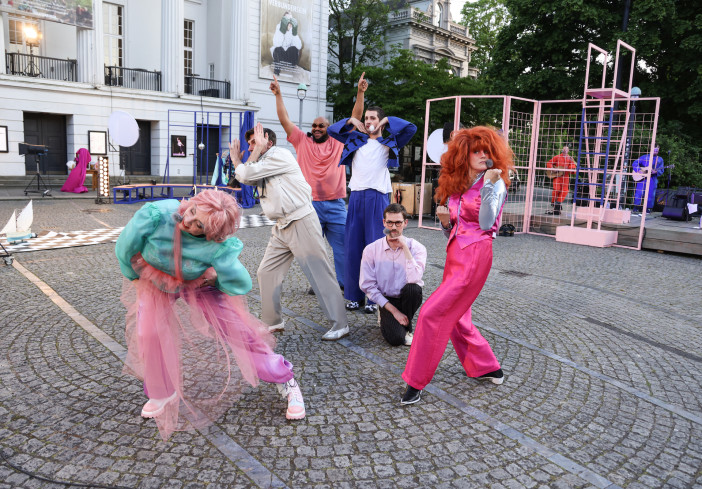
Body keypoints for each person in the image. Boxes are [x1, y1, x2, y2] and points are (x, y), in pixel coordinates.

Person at [115, 190, 305, 441]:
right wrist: (134, 278)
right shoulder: (156, 215)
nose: (188, 222)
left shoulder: (216, 247)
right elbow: (124, 247)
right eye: (192, 212)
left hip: (199, 283)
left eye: (199, 226)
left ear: (211, 234)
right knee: (148, 331)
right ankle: (162, 391)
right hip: (157, 281)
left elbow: (241, 282)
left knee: (239, 330)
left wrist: (215, 278)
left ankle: (285, 379)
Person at [400, 126, 513, 405]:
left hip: (475, 256)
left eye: (487, 151)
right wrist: (445, 223)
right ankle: (488, 367)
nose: (482, 155)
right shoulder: (459, 183)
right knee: (458, 318)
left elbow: (486, 224)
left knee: (431, 314)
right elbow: (455, 228)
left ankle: (415, 381)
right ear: (463, 153)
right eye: (476, 150)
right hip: (455, 254)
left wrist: (489, 183)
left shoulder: (495, 183)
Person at [229, 123, 349, 341]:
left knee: (319, 273)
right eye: (249, 143)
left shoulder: (279, 155)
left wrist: (238, 160)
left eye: (254, 141)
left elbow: (245, 174)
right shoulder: (263, 162)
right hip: (281, 225)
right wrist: (248, 157)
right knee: (267, 272)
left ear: (269, 142)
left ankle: (340, 324)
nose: (250, 146)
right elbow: (245, 177)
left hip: (301, 219)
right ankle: (272, 322)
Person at [269, 72, 366, 292]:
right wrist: (278, 94)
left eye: (321, 126)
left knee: (342, 248)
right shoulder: (302, 141)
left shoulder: (338, 141)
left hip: (336, 204)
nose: (317, 129)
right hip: (308, 205)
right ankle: (319, 283)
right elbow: (284, 119)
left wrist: (360, 92)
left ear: (328, 128)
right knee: (312, 249)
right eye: (314, 126)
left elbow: (356, 117)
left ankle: (343, 282)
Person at [328, 94, 417, 315]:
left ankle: (373, 298)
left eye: (373, 118)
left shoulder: (390, 142)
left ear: (381, 121)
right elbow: (331, 131)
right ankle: (353, 296)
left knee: (377, 248)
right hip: (356, 197)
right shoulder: (354, 140)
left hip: (378, 198)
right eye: (366, 118)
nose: (368, 122)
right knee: (353, 247)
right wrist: (351, 121)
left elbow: (411, 128)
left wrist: (387, 121)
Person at [360, 203, 426, 347]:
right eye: (389, 222)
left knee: (413, 288)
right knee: (396, 340)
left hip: (408, 297)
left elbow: (415, 279)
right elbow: (368, 285)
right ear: (384, 222)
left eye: (398, 223)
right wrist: (394, 311)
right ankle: (387, 315)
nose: (394, 227)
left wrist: (405, 249)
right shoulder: (371, 250)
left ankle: (408, 328)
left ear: (405, 223)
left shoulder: (417, 248)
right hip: (387, 299)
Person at [632, 145, 664, 214]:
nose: (656, 152)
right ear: (651, 149)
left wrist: (656, 172)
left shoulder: (660, 159)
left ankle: (648, 208)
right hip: (642, 178)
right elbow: (635, 162)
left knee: (651, 193)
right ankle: (636, 207)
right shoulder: (644, 157)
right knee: (639, 192)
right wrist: (638, 170)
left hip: (653, 178)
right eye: (654, 150)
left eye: (657, 151)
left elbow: (662, 169)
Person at [545, 145, 576, 215]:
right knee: (556, 189)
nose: (565, 151)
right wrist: (553, 169)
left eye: (566, 150)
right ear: (562, 150)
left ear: (568, 151)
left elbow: (573, 166)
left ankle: (558, 203)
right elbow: (549, 163)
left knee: (565, 190)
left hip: (565, 177)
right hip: (557, 176)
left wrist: (572, 169)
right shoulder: (557, 157)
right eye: (564, 150)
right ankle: (554, 202)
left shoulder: (570, 158)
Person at [271, 11, 302, 76]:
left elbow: (299, 46)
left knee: (294, 49)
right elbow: (276, 44)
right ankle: (277, 71)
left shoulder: (292, 29)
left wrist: (294, 33)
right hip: (280, 56)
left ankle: (292, 68)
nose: (289, 22)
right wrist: (282, 30)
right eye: (287, 19)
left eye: (291, 19)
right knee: (277, 49)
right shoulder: (279, 27)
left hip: (289, 57)